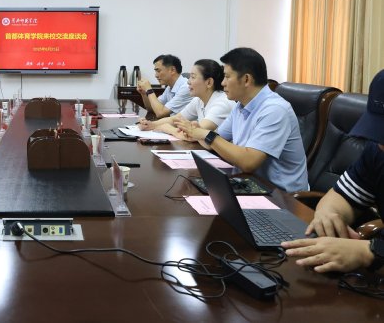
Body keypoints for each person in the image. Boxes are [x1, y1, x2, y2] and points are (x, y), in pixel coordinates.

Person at [282, 69, 384, 274]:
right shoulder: (377, 151)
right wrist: (328, 214)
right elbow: (341, 196)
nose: (382, 144)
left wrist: (368, 251)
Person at [176, 48, 308, 192]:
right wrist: (197, 132)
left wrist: (206, 135)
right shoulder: (240, 105)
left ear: (246, 79)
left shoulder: (275, 109)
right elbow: (215, 142)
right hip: (249, 184)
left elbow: (248, 162)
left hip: (281, 196)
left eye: (227, 77)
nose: (222, 83)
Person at [138, 59, 234, 139]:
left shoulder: (222, 103)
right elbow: (176, 119)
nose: (188, 81)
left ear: (209, 82)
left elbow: (195, 135)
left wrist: (167, 128)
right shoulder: (198, 100)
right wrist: (151, 124)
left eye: (193, 77)